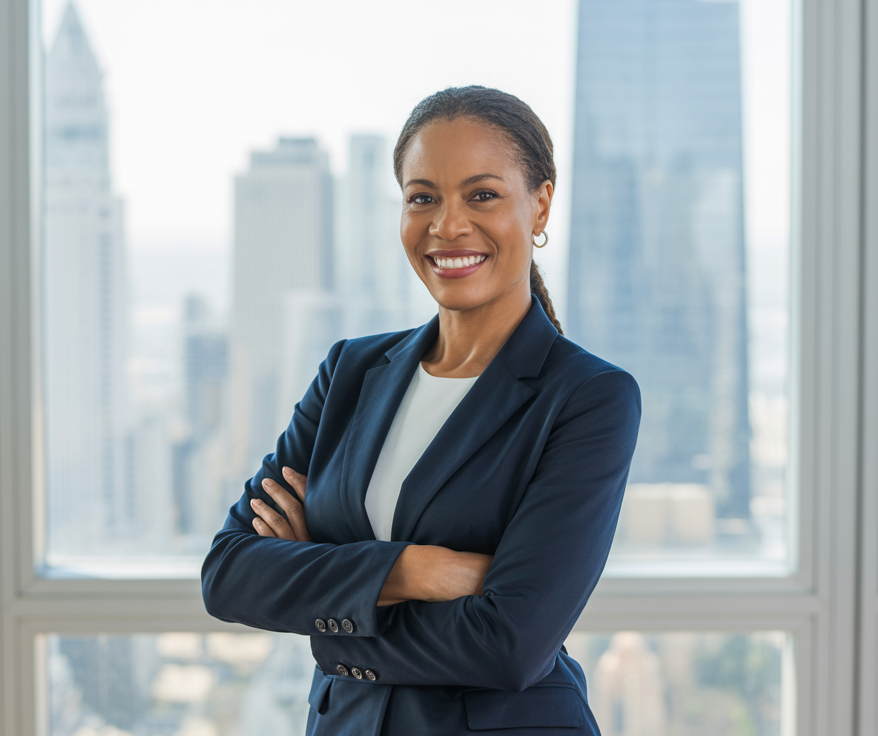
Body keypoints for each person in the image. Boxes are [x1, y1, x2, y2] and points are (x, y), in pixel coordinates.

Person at [202, 85, 641, 735]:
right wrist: (418, 570)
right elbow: (230, 574)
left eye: (482, 195)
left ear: (540, 204)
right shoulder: (351, 373)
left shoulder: (586, 397)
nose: (448, 225)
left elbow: (509, 644)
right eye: (423, 197)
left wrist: (324, 602)